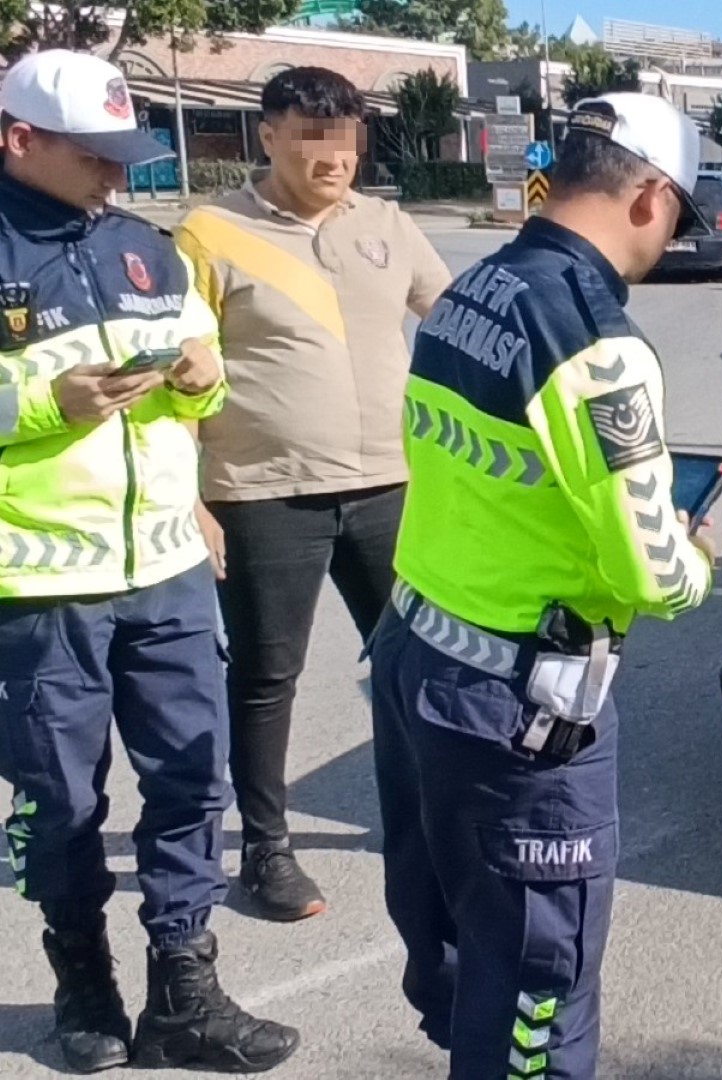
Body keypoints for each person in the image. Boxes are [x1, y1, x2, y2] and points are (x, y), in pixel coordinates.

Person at [367, 92, 717, 1078]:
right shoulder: (593, 341)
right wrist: (692, 558)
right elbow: (652, 570)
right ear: (649, 198)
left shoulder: (476, 287)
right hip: (519, 706)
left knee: (462, 942)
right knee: (536, 988)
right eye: (677, 221)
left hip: (419, 654)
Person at [0, 50, 299, 1073]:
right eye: (96, 157)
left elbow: (200, 387)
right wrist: (47, 405)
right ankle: (84, 984)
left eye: (127, 155)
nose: (117, 176)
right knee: (58, 801)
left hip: (167, 571)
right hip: (43, 589)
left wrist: (205, 379)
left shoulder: (148, 249)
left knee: (189, 782)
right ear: (19, 139)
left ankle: (186, 986)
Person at [172, 67, 451, 925]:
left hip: (390, 487)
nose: (332, 156)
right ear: (269, 136)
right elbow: (178, 375)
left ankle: (425, 821)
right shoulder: (211, 232)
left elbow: (452, 319)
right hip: (264, 492)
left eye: (345, 137)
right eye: (310, 136)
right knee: (266, 677)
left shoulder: (388, 224)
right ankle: (264, 851)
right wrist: (191, 498)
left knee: (412, 665)